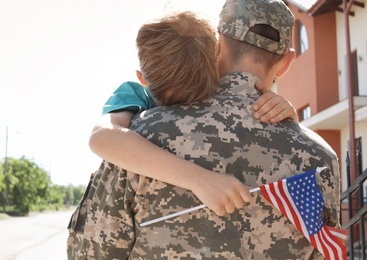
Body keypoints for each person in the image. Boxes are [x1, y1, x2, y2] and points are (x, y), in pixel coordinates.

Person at [69, 1, 341, 258]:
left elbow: (89, 253)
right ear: (287, 62)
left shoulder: (139, 135)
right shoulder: (320, 157)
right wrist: (295, 131)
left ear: (218, 44)